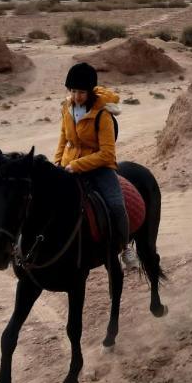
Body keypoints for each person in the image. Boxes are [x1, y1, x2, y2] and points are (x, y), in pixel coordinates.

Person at [54, 61, 138, 270]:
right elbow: (64, 138)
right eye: (73, 91)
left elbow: (107, 153)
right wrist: (57, 162)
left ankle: (126, 248)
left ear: (90, 91)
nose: (76, 96)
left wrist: (76, 165)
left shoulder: (103, 115)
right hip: (68, 165)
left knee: (117, 205)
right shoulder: (67, 108)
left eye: (81, 92)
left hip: (100, 168)